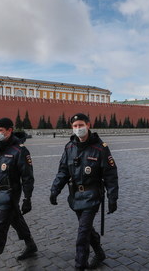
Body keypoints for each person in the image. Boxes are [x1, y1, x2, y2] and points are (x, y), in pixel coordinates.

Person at [50, 113, 119, 270]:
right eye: (75, 126)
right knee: (86, 228)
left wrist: (112, 197)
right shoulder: (69, 148)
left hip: (93, 196)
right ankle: (100, 253)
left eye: (81, 125)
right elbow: (63, 171)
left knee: (82, 234)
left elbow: (110, 175)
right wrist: (55, 190)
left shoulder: (100, 148)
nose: (78, 128)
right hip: (75, 196)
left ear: (88, 125)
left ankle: (79, 266)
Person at [0, 118, 37, 271]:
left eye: (1, 131)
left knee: (0, 229)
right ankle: (30, 245)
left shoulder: (20, 150)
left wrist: (27, 198)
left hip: (11, 193)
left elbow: (27, 177)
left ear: (9, 130)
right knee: (15, 219)